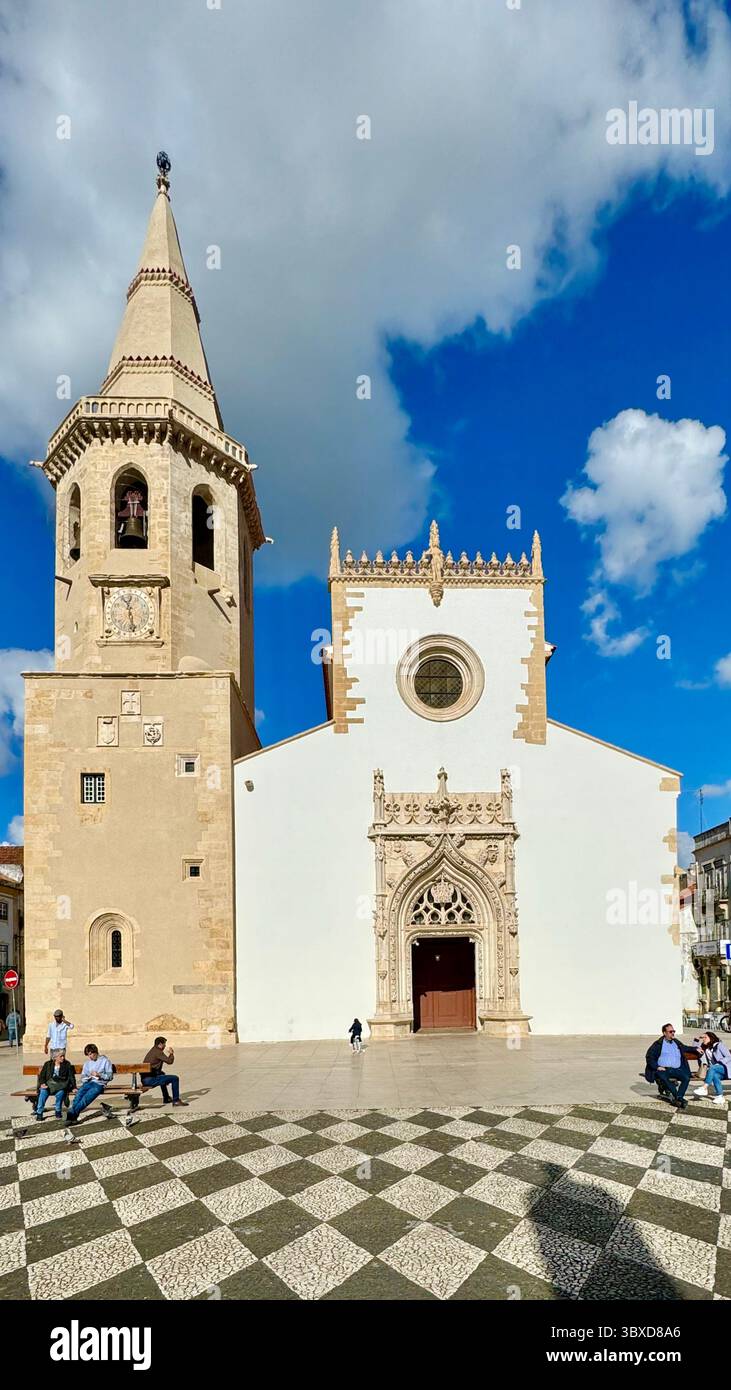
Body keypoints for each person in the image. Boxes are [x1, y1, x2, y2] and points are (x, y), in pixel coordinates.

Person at [644, 1022, 693, 1108]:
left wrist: (696, 1048)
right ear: (664, 1033)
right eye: (670, 1031)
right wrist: (657, 1067)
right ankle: (679, 1098)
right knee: (664, 1078)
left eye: (673, 1031)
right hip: (663, 1069)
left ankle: (678, 1097)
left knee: (686, 1078)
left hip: (676, 1069)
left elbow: (685, 1048)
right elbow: (649, 1057)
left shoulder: (676, 1042)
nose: (673, 1033)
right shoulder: (658, 1044)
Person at [64, 1044, 113, 1124]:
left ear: (96, 1052)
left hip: (99, 1084)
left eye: (91, 1054)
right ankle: (73, 1118)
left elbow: (110, 1076)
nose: (90, 1057)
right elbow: (83, 1076)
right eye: (88, 1055)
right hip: (88, 1083)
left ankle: (70, 1116)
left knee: (85, 1099)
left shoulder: (105, 1061)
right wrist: (86, 1078)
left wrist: (99, 1075)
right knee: (78, 1097)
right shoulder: (87, 1063)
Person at [141, 1036, 187, 1107]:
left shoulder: (153, 1050)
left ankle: (166, 1098)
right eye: (164, 1044)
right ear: (160, 1044)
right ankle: (176, 1100)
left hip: (145, 1079)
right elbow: (169, 1061)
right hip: (150, 1080)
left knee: (162, 1075)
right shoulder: (158, 1052)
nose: (165, 1046)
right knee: (175, 1078)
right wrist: (171, 1054)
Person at [35, 1049, 76, 1121]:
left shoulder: (67, 1064)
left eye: (63, 1056)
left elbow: (71, 1077)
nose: (63, 1058)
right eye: (61, 1056)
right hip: (49, 1085)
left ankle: (58, 1111)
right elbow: (42, 1076)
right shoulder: (47, 1064)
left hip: (60, 1086)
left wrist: (74, 1087)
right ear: (55, 1057)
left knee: (61, 1092)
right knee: (43, 1091)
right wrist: (42, 1084)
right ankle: (39, 1112)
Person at [692, 1031, 731, 1105]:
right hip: (715, 1070)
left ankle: (704, 1088)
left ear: (711, 1038)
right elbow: (694, 1049)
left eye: (705, 1037)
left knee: (712, 1068)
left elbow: (729, 1056)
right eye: (703, 1038)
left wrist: (719, 1063)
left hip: (725, 1068)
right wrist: (697, 1039)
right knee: (715, 1075)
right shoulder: (705, 1048)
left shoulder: (719, 1045)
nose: (703, 1039)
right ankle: (720, 1096)